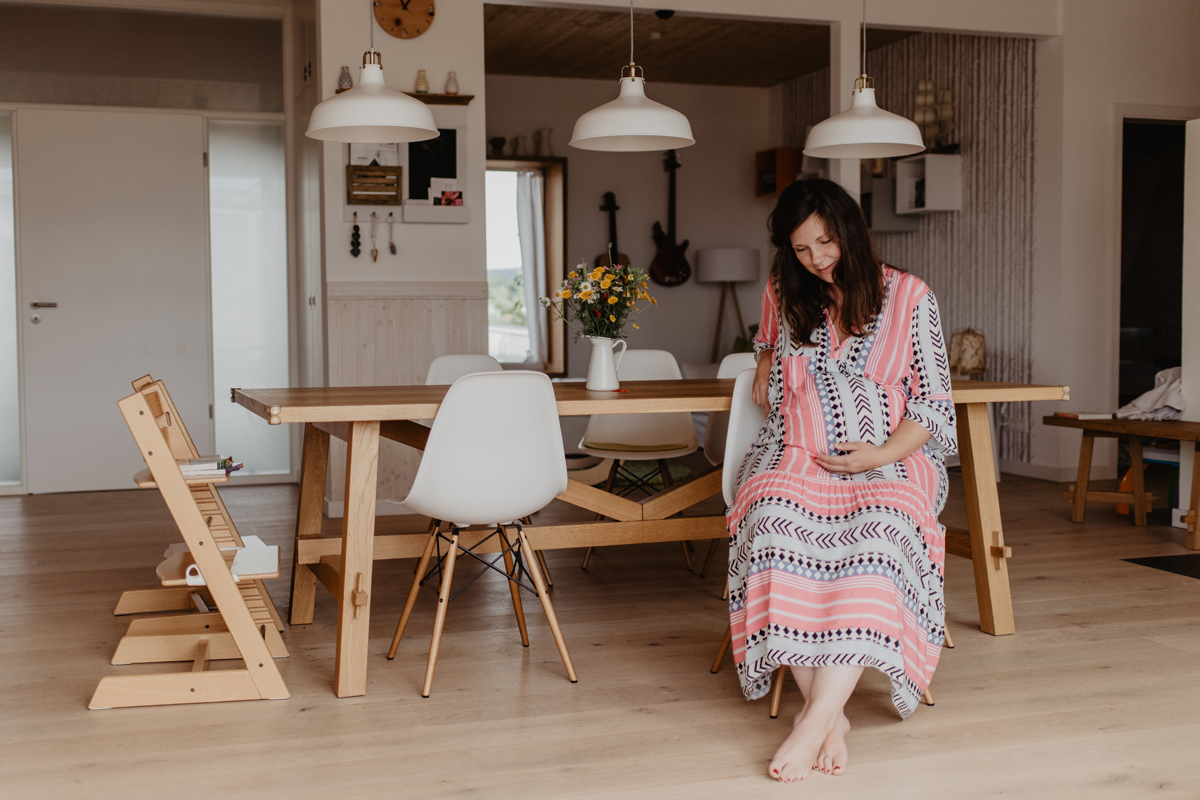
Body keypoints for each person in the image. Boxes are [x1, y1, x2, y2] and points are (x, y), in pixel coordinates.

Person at [729, 179, 956, 782]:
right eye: (802, 249)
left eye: (825, 242)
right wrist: (762, 359)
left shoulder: (909, 296)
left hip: (888, 459)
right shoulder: (785, 290)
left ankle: (812, 722)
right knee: (773, 527)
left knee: (880, 536)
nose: (817, 259)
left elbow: (933, 406)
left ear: (849, 231)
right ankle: (831, 718)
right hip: (793, 454)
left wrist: (878, 455)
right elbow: (770, 342)